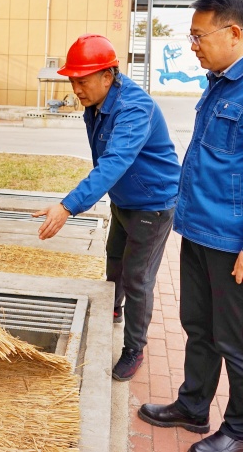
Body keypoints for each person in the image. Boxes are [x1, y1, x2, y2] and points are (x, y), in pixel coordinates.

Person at [137, 0, 243, 452]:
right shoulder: (221, 82)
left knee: (237, 342)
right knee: (199, 328)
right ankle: (193, 406)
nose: (193, 46)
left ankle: (241, 431)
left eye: (199, 36)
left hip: (235, 244)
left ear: (233, 32)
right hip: (199, 232)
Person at [33, 34, 181, 382]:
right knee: (115, 259)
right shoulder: (98, 102)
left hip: (152, 204)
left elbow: (114, 162)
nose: (76, 89)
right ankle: (114, 308)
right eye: (72, 81)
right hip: (124, 199)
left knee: (138, 277)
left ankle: (134, 348)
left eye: (82, 81)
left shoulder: (134, 108)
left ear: (107, 76)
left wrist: (68, 206)